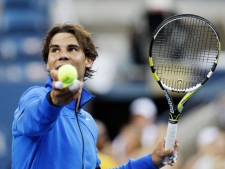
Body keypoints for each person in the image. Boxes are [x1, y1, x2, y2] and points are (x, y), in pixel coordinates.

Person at [12, 23, 179, 169]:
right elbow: (35, 120)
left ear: (89, 60)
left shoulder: (88, 124)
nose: (63, 55)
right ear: (48, 62)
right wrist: (53, 101)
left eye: (72, 49)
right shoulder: (33, 96)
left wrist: (152, 161)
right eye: (55, 50)